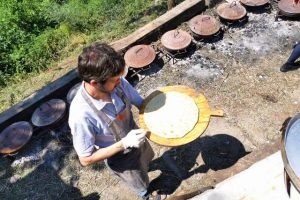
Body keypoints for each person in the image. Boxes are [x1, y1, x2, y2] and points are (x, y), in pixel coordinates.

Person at [69, 43, 163, 200]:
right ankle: (146, 195)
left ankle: (146, 167)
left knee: (145, 160)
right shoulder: (81, 115)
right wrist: (124, 144)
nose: (120, 82)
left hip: (136, 135)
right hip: (120, 156)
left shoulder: (116, 82)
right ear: (94, 83)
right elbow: (85, 159)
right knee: (137, 180)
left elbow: (140, 103)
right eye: (115, 80)